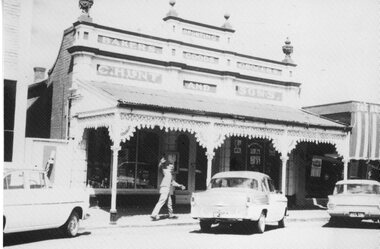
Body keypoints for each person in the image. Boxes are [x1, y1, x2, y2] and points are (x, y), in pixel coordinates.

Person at [151, 155, 185, 221]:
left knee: (169, 202)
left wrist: (180, 186)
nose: (172, 167)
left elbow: (173, 182)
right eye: (170, 166)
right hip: (165, 188)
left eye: (172, 166)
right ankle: (154, 214)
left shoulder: (170, 174)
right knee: (161, 201)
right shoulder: (166, 171)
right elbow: (160, 168)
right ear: (168, 167)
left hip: (167, 189)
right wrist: (161, 162)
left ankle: (171, 215)